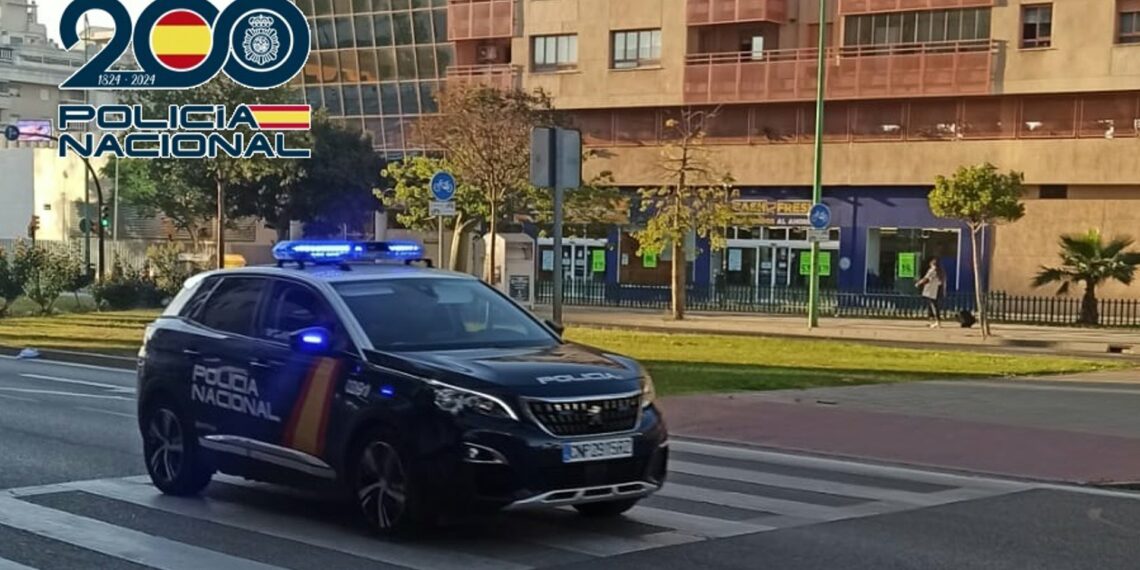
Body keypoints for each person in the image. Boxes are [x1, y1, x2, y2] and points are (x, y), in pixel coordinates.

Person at [916, 258, 946, 328]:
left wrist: (918, 283)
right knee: (935, 306)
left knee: (933, 306)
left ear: (932, 264)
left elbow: (927, 279)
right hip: (937, 290)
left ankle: (937, 322)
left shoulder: (932, 271)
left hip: (931, 291)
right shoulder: (941, 272)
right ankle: (936, 321)